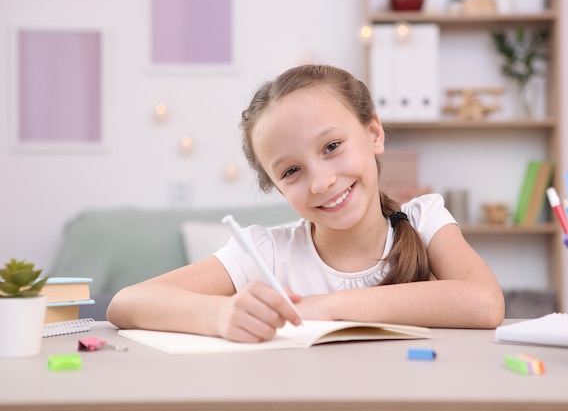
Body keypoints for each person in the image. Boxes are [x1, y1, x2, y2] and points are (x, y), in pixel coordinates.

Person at [107, 64, 505, 342]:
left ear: (374, 133)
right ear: (277, 187)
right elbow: (127, 303)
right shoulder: (265, 251)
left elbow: (484, 303)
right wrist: (220, 314)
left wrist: (326, 307)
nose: (322, 182)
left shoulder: (424, 219)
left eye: (332, 146)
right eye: (291, 172)